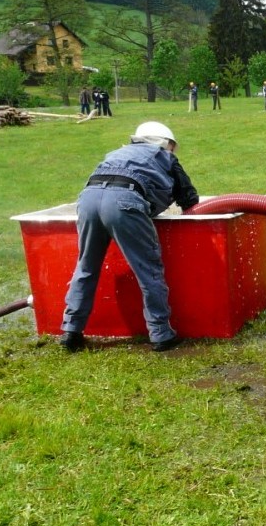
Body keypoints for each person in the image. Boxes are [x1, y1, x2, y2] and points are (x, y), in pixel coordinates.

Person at [59, 122, 200, 353]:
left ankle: (71, 330)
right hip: (125, 201)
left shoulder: (116, 152)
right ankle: (161, 333)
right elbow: (189, 198)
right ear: (167, 143)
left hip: (88, 200)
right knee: (148, 271)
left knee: (85, 267)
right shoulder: (164, 156)